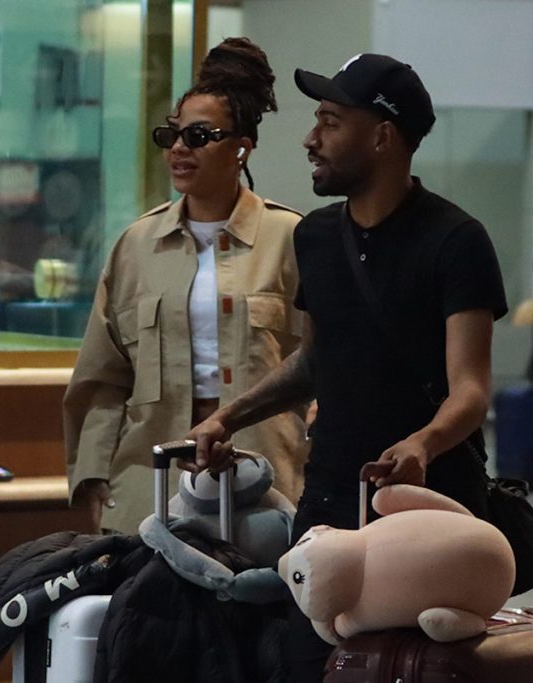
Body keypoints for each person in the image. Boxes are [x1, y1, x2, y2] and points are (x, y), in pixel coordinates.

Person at [185, 53, 507, 681]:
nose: (311, 139)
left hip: (425, 511)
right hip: (329, 500)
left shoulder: (455, 240)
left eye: (330, 122)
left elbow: (470, 388)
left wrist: (424, 442)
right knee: (309, 665)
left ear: (382, 136)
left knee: (416, 669)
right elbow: (314, 359)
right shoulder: (317, 236)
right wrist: (229, 417)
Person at [63, 37, 309, 535]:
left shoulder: (293, 239)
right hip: (150, 482)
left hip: (267, 480)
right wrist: (93, 477)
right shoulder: (136, 246)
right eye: (170, 135)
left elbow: (330, 363)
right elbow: (104, 380)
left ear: (242, 146)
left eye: (199, 136)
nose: (178, 148)